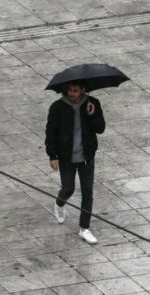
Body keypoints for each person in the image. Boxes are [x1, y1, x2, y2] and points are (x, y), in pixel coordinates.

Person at [45, 80, 106, 245]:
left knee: (88, 192)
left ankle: (84, 228)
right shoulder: (57, 107)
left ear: (82, 90)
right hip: (66, 157)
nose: (72, 94)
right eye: (70, 90)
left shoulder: (93, 103)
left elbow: (100, 128)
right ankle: (60, 201)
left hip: (86, 156)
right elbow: (50, 132)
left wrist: (92, 115)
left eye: (76, 91)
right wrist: (52, 155)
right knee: (68, 188)